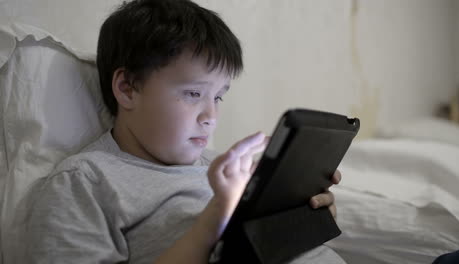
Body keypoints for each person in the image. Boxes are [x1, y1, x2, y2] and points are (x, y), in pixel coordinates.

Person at [15, 0, 345, 263]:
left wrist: (306, 217)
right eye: (192, 94)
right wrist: (217, 213)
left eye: (218, 96)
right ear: (127, 88)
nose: (211, 116)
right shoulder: (85, 181)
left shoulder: (218, 168)